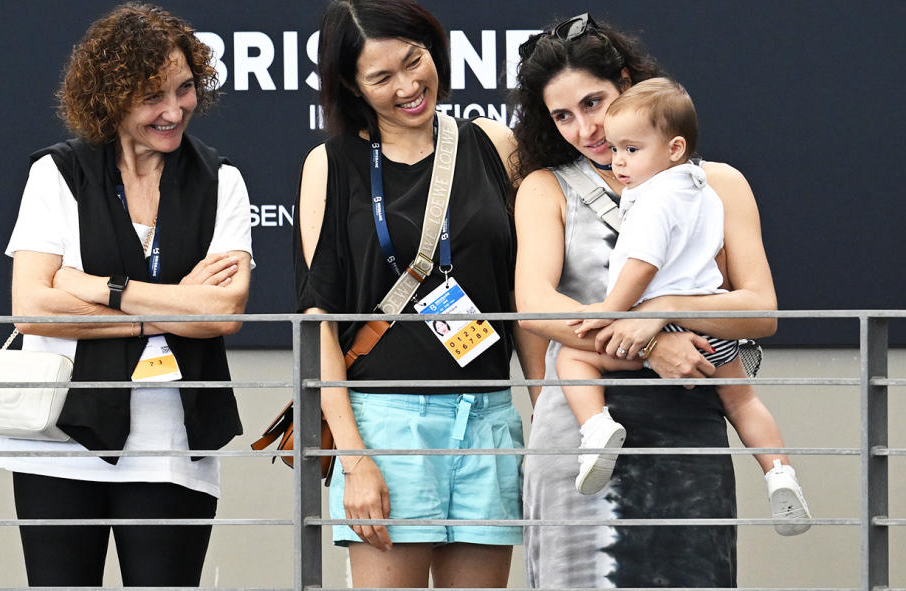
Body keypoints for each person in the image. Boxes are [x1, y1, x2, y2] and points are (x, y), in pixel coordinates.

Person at [513, 12, 786, 588]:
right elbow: (535, 305)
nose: (585, 129)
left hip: (688, 422)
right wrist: (650, 344)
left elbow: (759, 309)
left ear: (627, 83)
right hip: (583, 436)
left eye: (594, 103)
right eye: (562, 115)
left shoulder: (718, 183)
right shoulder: (545, 187)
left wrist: (661, 315)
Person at [0, 3, 253, 586]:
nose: (173, 111)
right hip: (59, 437)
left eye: (185, 88)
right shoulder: (56, 175)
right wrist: (162, 314)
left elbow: (223, 313)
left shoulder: (223, 181)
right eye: (150, 97)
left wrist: (98, 288)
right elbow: (32, 309)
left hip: (174, 439)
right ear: (108, 98)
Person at [293, 0, 540, 587]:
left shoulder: (494, 144)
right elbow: (317, 321)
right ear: (351, 86)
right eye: (381, 77)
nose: (408, 86)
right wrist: (353, 459)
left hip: (488, 419)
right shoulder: (330, 164)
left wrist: (551, 411)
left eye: (414, 60)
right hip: (385, 424)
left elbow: (526, 301)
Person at [555, 77, 811, 533]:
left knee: (572, 354)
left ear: (674, 148)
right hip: (713, 320)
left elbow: (642, 264)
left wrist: (613, 310)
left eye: (631, 150)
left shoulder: (653, 200)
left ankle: (596, 429)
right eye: (614, 150)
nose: (617, 162)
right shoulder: (703, 188)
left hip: (657, 329)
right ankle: (779, 474)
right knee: (743, 401)